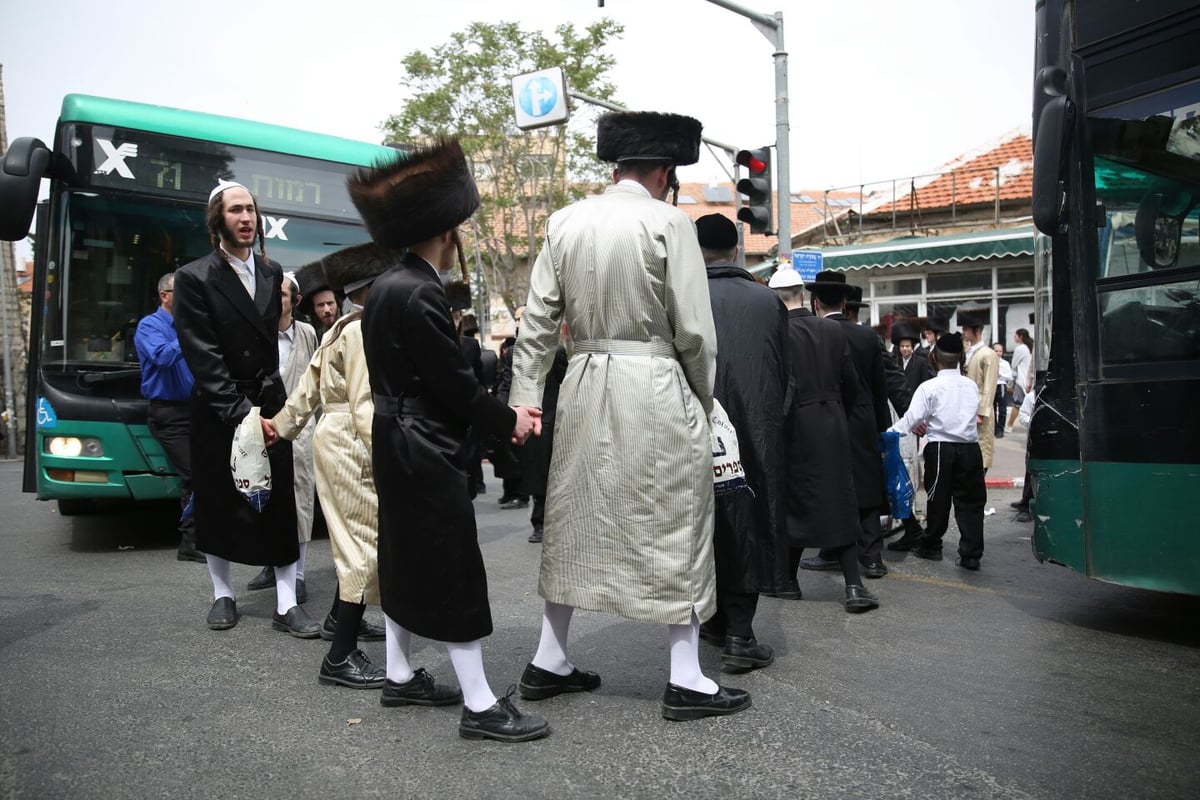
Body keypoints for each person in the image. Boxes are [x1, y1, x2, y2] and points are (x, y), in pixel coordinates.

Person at [509, 110, 750, 722]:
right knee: (677, 515)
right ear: (665, 172)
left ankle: (548, 658)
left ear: (615, 166)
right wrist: (703, 397)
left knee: (573, 515)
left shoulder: (563, 222)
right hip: (657, 380)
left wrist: (524, 399)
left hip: (585, 379)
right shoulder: (670, 221)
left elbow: (536, 324)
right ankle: (687, 677)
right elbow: (695, 330)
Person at [354, 138, 549, 742]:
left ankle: (399, 674)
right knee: (453, 568)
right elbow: (457, 386)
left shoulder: (387, 286)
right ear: (447, 231)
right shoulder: (419, 292)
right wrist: (510, 421)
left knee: (405, 558)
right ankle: (481, 704)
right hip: (424, 443)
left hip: (394, 437)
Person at [172, 180, 318, 637]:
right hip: (221, 406)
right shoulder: (194, 278)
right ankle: (223, 594)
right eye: (236, 210)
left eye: (251, 209)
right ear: (219, 219)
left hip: (269, 402)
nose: (247, 218)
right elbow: (202, 353)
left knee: (278, 506)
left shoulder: (274, 274)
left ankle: (286, 603)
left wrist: (272, 408)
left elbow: (272, 343)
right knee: (217, 503)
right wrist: (239, 412)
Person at [264, 244, 390, 688]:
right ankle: (340, 657)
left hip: (330, 435)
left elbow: (306, 388)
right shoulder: (362, 332)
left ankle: (341, 621)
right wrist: (390, 457)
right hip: (352, 440)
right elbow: (365, 402)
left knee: (354, 537)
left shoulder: (339, 326)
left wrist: (280, 427)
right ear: (373, 289)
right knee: (362, 544)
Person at [695, 213, 787, 668]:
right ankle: (740, 634)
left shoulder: (680, 297)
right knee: (748, 519)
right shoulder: (767, 302)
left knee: (702, 523)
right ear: (735, 250)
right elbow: (784, 373)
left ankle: (712, 622)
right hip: (756, 429)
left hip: (692, 428)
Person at [770, 267, 877, 613]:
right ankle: (853, 586)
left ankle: (787, 581)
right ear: (805, 296)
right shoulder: (832, 330)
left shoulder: (777, 332)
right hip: (831, 422)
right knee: (838, 500)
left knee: (795, 501)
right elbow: (852, 384)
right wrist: (836, 414)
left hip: (794, 424)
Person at [801, 274, 901, 579]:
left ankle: (832, 549)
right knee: (867, 486)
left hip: (825, 420)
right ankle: (872, 557)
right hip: (862, 420)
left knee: (831, 485)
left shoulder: (811, 333)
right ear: (845, 302)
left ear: (815, 302)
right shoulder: (867, 336)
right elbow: (879, 386)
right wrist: (881, 427)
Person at [246, 272, 319, 602]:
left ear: (296, 301)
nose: (276, 301)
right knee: (265, 498)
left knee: (301, 500)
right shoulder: (254, 333)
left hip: (301, 431)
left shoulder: (307, 334)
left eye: (283, 296)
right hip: (262, 428)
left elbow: (316, 384)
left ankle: (298, 574)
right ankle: (271, 563)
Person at [888, 332, 988, 570]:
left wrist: (889, 434)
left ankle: (931, 545)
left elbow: (911, 419)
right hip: (970, 449)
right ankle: (971, 554)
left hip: (941, 447)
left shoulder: (929, 387)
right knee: (971, 503)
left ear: (934, 358)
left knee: (938, 500)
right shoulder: (970, 385)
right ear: (960, 358)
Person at [134, 271, 204, 563]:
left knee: (203, 475)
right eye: (182, 291)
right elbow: (162, 356)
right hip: (168, 414)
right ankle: (189, 541)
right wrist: (189, 333)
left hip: (196, 410)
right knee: (195, 475)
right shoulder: (150, 326)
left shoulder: (186, 325)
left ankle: (197, 537)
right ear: (165, 295)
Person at [886, 317, 933, 552]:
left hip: (913, 417)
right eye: (902, 345)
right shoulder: (892, 361)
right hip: (896, 415)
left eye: (908, 346)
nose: (905, 349)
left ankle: (913, 508)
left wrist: (918, 417)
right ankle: (900, 512)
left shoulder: (921, 363)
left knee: (911, 464)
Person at [521, 328, 570, 545]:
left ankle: (547, 523)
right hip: (527, 420)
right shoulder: (521, 352)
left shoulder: (556, 351)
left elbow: (565, 383)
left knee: (547, 473)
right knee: (533, 472)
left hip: (549, 420)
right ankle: (538, 522)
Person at [493, 309, 529, 510]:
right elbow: (506, 382)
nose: (517, 323)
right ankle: (515, 493)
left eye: (521, 318)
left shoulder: (549, 348)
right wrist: (501, 408)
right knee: (513, 453)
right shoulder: (512, 352)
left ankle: (524, 495)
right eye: (516, 319)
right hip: (516, 409)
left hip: (541, 411)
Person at [960, 309, 999, 472]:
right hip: (968, 410)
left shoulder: (988, 354)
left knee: (981, 453)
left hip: (981, 413)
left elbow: (989, 386)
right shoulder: (969, 352)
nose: (964, 333)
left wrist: (981, 412)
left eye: (966, 329)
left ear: (976, 330)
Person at [1007, 328, 1033, 430]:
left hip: (1021, 378)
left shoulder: (1020, 348)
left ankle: (1009, 425)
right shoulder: (1029, 347)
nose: (1014, 337)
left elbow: (1014, 364)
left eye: (1015, 335)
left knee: (1016, 403)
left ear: (1020, 336)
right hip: (1027, 378)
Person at [993, 342, 1013, 438]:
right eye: (996, 351)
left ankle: (1000, 429)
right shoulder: (990, 362)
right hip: (992, 385)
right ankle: (993, 428)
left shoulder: (1005, 363)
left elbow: (1009, 377)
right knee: (992, 409)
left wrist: (1001, 375)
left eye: (1000, 351)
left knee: (1002, 409)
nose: (998, 353)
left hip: (1001, 385)